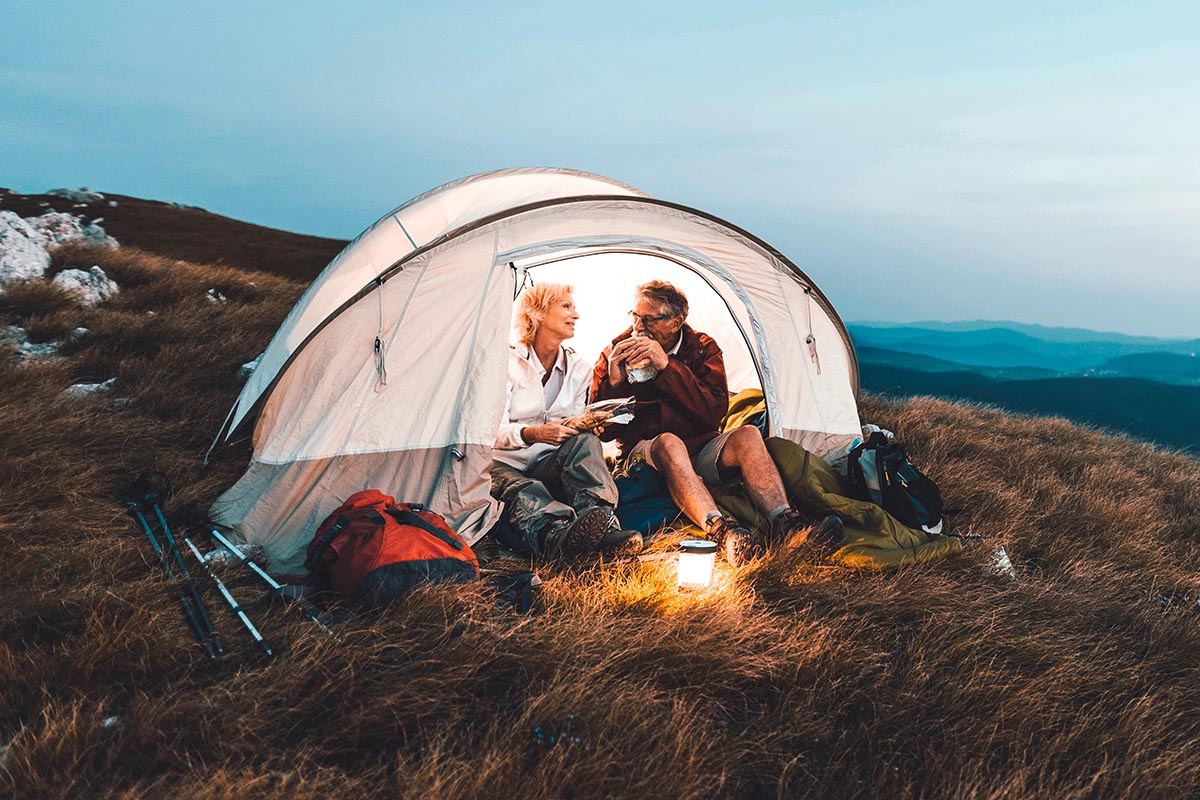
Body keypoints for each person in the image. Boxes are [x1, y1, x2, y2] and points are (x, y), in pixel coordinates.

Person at [591, 280, 841, 565]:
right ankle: (722, 531)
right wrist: (614, 381)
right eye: (635, 316)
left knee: (747, 434)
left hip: (700, 447)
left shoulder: (702, 348)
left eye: (649, 319)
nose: (639, 326)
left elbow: (713, 412)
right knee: (670, 442)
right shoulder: (616, 351)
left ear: (676, 322)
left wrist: (667, 368)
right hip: (646, 454)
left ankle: (786, 523)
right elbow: (604, 432)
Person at [491, 283, 642, 559]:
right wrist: (532, 434)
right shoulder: (505, 362)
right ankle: (557, 536)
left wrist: (584, 425)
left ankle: (602, 523)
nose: (576, 315)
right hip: (504, 465)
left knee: (586, 441)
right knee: (524, 489)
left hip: (548, 463)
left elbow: (572, 424)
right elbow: (489, 433)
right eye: (566, 306)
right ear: (537, 312)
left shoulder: (579, 368)